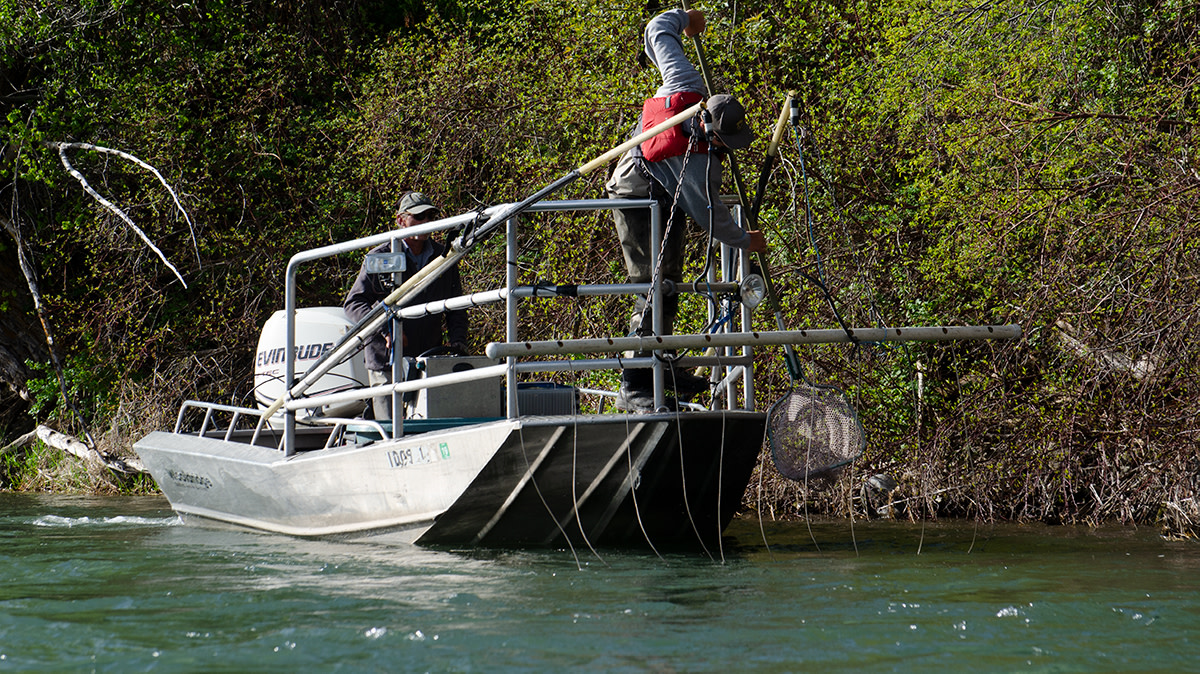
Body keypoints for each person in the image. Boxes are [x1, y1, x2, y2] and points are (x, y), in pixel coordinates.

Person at [605, 8, 768, 412]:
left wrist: (685, 20)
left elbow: (659, 29)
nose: (730, 150)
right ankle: (636, 381)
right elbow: (711, 216)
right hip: (635, 195)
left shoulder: (688, 82)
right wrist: (746, 240)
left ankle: (660, 361)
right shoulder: (700, 165)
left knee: (670, 284)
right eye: (729, 142)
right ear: (714, 132)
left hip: (666, 196)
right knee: (651, 285)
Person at [344, 191, 469, 419]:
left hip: (428, 358)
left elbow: (456, 307)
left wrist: (458, 342)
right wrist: (387, 330)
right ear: (401, 220)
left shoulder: (445, 256)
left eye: (430, 217)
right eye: (419, 217)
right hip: (385, 360)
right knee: (390, 425)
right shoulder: (380, 256)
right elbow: (354, 304)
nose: (426, 223)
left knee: (427, 421)